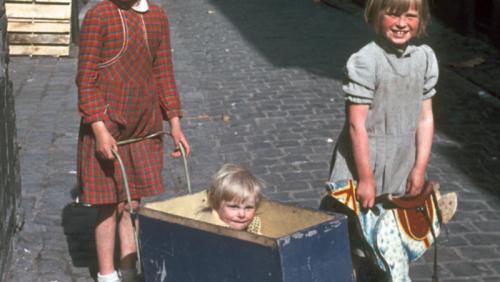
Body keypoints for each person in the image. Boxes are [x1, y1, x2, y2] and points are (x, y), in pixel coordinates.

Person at [76, 0, 190, 280]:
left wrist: (174, 122)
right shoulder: (99, 16)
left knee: (131, 202)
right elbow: (86, 79)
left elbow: (163, 73)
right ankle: (106, 273)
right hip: (107, 124)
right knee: (108, 204)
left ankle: (129, 269)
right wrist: (100, 129)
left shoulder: (157, 16)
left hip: (143, 125)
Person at [328, 0, 438, 280]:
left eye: (411, 16)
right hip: (366, 162)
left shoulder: (424, 58)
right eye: (392, 14)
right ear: (376, 16)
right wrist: (365, 177)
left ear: (421, 20)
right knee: (358, 236)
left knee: (395, 231)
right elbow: (357, 125)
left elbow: (425, 118)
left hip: (402, 161)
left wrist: (419, 167)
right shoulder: (367, 61)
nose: (401, 23)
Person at [193, 163, 263, 234]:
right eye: (234, 207)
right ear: (216, 204)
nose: (242, 214)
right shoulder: (207, 227)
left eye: (248, 208)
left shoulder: (253, 225)